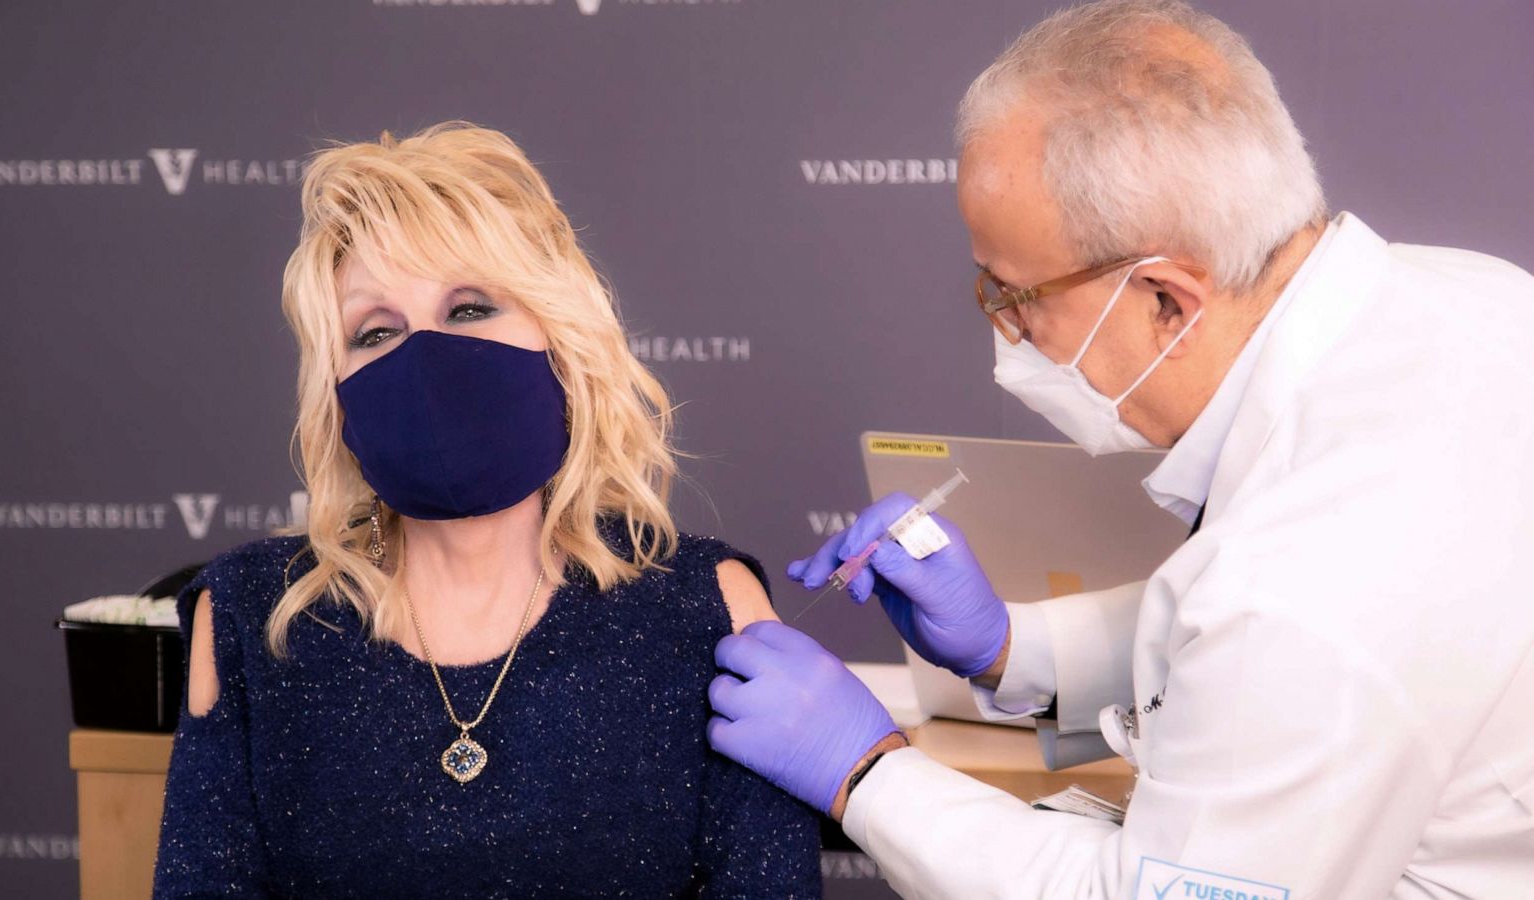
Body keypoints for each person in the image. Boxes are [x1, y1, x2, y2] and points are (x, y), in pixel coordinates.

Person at [707, 1, 1534, 897]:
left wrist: (865, 772)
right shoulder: (1475, 300)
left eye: (1017, 295)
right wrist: (1010, 650)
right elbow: (1247, 649)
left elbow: (1151, 876)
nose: (1007, 333)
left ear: (1167, 301)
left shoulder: (1302, 593)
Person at [153, 122, 820, 898]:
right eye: (376, 331)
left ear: (562, 342)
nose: (426, 357)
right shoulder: (250, 617)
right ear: (335, 398)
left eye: (469, 309)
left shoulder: (706, 607)